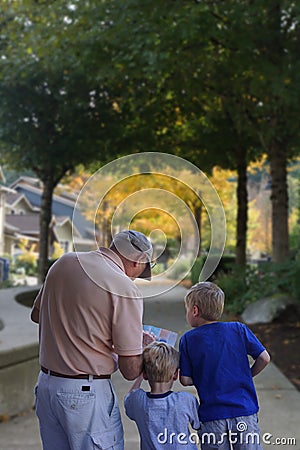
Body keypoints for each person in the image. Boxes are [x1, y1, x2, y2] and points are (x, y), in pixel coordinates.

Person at [30, 230, 155, 450]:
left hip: (46, 387)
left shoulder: (64, 262)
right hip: (85, 395)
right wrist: (140, 347)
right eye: (140, 272)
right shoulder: (124, 287)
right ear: (138, 261)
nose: (135, 278)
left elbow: (37, 315)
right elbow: (130, 370)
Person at [179, 281, 271, 450]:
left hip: (212, 416)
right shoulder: (238, 329)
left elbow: (185, 380)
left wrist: (204, 377)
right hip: (244, 412)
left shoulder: (188, 339)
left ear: (195, 310)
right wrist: (247, 375)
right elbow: (264, 358)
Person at [124, 341, 200, 450]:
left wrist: (140, 375)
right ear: (175, 375)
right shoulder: (186, 400)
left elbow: (129, 399)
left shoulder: (138, 401)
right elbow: (199, 425)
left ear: (144, 374)